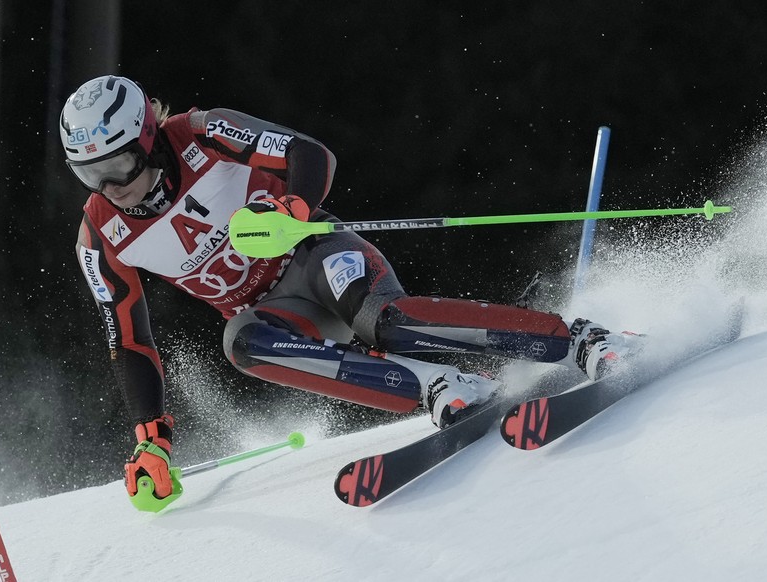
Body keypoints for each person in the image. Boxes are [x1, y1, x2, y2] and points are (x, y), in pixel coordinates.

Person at [60, 75, 637, 506]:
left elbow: (309, 154)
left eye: (119, 165)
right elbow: (129, 342)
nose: (113, 187)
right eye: (91, 175)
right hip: (278, 312)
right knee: (241, 343)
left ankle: (581, 339)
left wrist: (295, 206)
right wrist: (151, 439)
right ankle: (440, 385)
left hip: (317, 256)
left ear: (148, 136)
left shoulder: (203, 131)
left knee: (381, 322)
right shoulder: (100, 237)